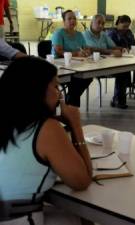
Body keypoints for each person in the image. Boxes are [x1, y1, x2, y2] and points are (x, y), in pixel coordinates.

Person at [0, 57, 92, 224]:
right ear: (37, 89)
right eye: (56, 86)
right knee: (83, 219)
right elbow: (81, 181)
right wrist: (76, 126)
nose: (59, 94)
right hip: (17, 219)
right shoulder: (47, 128)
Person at [52, 9, 92, 107]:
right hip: (61, 65)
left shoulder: (79, 34)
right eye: (69, 18)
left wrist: (86, 52)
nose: (72, 21)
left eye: (74, 18)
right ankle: (71, 106)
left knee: (88, 76)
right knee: (76, 80)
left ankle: (70, 102)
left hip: (76, 64)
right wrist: (77, 54)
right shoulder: (59, 33)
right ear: (63, 21)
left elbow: (86, 48)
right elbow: (59, 51)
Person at [107, 15, 135, 108]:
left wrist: (132, 49)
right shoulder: (112, 33)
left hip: (127, 59)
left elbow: (134, 46)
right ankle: (119, 99)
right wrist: (123, 49)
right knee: (123, 72)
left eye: (128, 26)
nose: (126, 29)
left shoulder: (128, 32)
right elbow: (111, 48)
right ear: (118, 23)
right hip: (113, 61)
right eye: (124, 26)